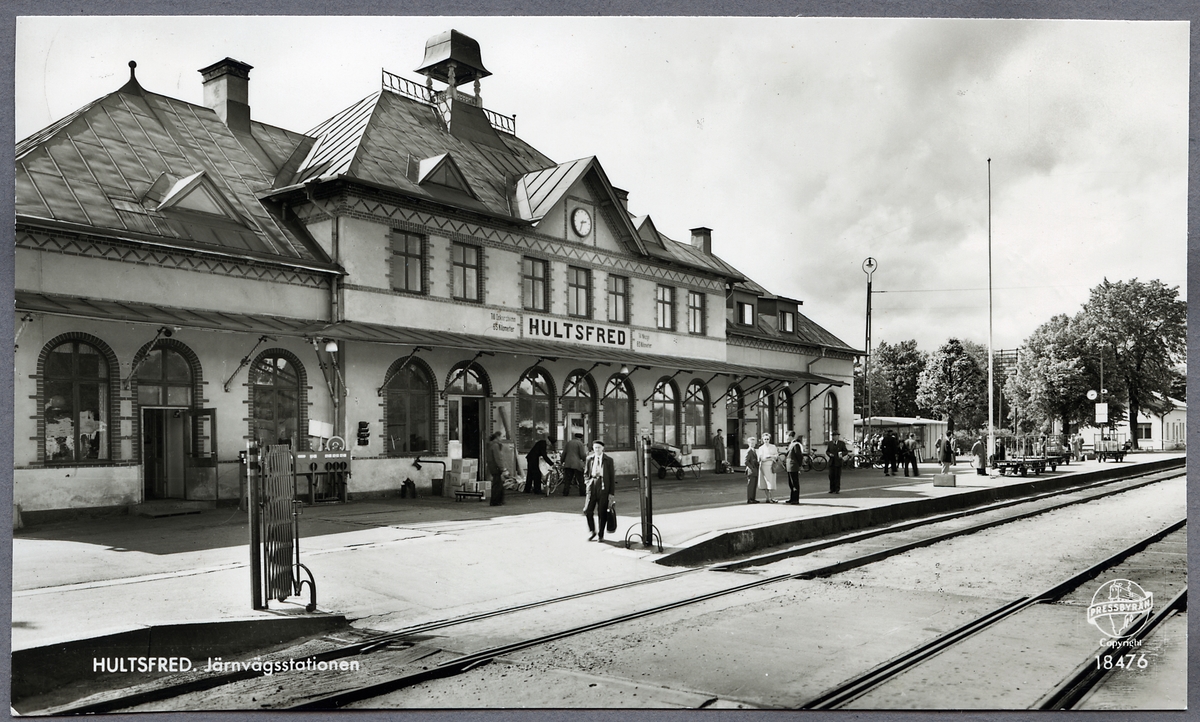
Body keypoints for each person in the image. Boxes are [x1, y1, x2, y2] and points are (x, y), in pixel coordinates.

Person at [583, 439, 616, 541]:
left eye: (599, 448)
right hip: (592, 484)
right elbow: (586, 473)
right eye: (595, 448)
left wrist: (611, 493)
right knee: (588, 510)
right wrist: (587, 482)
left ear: (603, 448)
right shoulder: (589, 459)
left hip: (603, 486)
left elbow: (611, 477)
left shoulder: (608, 460)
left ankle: (601, 534)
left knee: (602, 512)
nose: (597, 449)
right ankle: (592, 531)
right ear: (593, 449)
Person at [523, 427, 554, 494]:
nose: (550, 445)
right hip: (533, 459)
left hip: (531, 458)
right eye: (550, 444)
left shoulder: (541, 443)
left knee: (530, 474)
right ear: (548, 441)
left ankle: (527, 489)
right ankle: (537, 490)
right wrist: (551, 463)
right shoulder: (543, 444)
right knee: (537, 474)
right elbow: (544, 455)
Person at [561, 432, 588, 496]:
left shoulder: (569, 443)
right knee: (580, 479)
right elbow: (582, 454)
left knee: (567, 479)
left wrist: (562, 461)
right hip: (576, 464)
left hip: (568, 463)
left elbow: (564, 453)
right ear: (581, 438)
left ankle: (565, 492)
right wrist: (585, 460)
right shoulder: (580, 444)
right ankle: (582, 492)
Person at [757, 432, 780, 503]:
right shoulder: (761, 448)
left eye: (767, 439)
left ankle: (772, 497)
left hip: (771, 466)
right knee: (765, 482)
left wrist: (771, 457)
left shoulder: (773, 446)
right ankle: (767, 497)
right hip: (764, 466)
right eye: (765, 439)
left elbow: (776, 455)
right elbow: (761, 458)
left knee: (771, 482)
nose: (766, 440)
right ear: (762, 440)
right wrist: (769, 458)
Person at [785, 431, 805, 504]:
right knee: (791, 483)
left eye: (787, 436)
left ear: (790, 436)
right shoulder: (791, 444)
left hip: (793, 466)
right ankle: (792, 498)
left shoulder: (796, 445)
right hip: (790, 466)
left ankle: (795, 499)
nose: (786, 438)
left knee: (794, 483)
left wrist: (799, 466)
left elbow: (799, 456)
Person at [486, 431, 505, 506]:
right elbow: (498, 458)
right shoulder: (495, 446)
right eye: (502, 437)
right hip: (496, 467)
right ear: (498, 437)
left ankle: (498, 500)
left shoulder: (491, 445)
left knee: (498, 484)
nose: (502, 439)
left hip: (492, 466)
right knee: (497, 485)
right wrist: (502, 468)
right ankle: (495, 501)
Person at [745, 435, 760, 504]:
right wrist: (752, 468)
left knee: (754, 485)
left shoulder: (753, 450)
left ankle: (753, 498)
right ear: (748, 443)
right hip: (751, 471)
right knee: (751, 485)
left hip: (755, 470)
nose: (753, 444)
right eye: (751, 443)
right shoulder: (749, 451)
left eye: (754, 443)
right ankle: (750, 499)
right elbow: (746, 461)